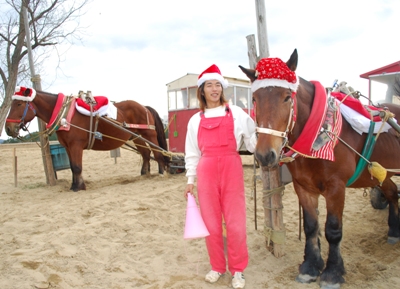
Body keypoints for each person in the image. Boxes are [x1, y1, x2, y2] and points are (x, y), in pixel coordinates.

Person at [184, 64, 257, 289]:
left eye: (217, 85)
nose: (214, 89)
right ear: (202, 90)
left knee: (235, 223)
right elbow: (192, 152)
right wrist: (190, 180)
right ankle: (217, 266)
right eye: (209, 85)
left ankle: (237, 271)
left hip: (231, 167)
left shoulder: (235, 112)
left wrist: (260, 137)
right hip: (206, 171)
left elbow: (253, 142)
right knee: (212, 224)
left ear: (222, 88)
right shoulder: (195, 120)